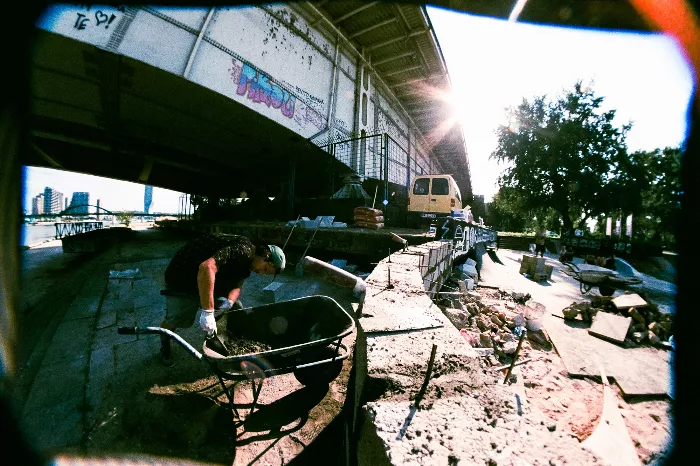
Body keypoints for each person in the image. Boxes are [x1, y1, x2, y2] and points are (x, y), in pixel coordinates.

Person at [159, 233, 285, 366]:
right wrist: (208, 312)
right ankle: (164, 345)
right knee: (178, 317)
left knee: (235, 306)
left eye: (265, 273)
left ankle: (221, 340)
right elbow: (207, 267)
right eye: (265, 269)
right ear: (265, 255)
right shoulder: (242, 250)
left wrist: (228, 301)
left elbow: (237, 285)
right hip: (184, 275)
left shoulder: (247, 265)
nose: (260, 273)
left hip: (205, 275)